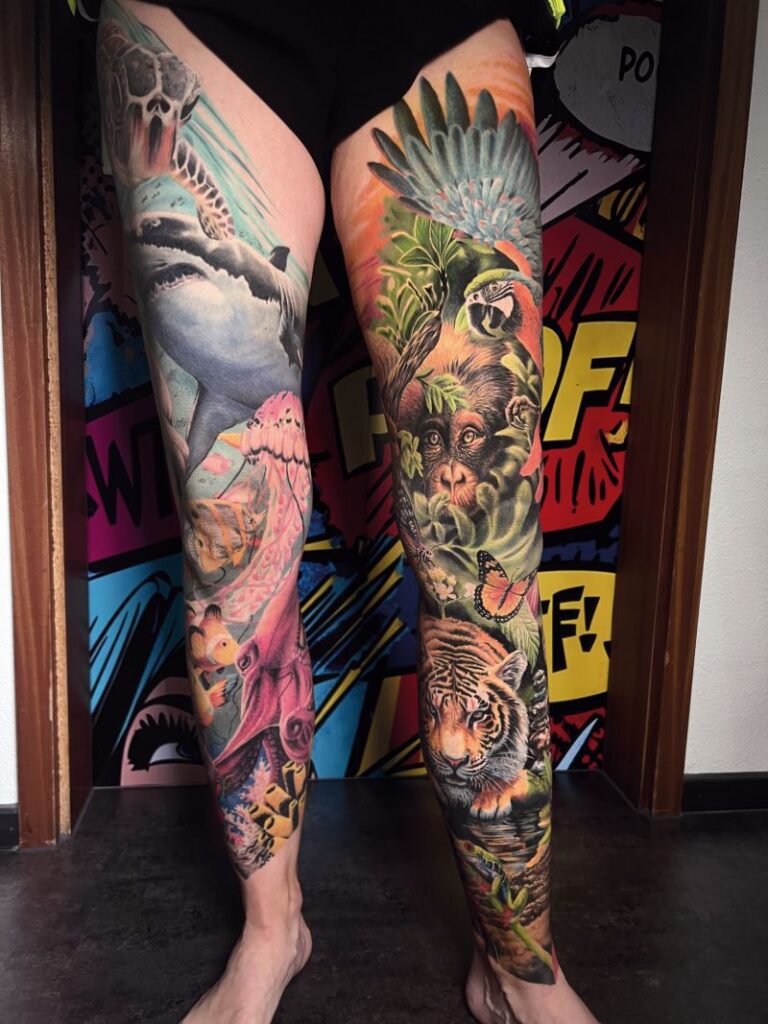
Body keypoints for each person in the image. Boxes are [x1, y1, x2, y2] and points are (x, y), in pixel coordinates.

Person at [96, 1, 599, 1020]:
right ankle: (273, 930)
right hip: (201, 19)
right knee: (233, 532)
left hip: (440, 15)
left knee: (481, 546)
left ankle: (519, 967)